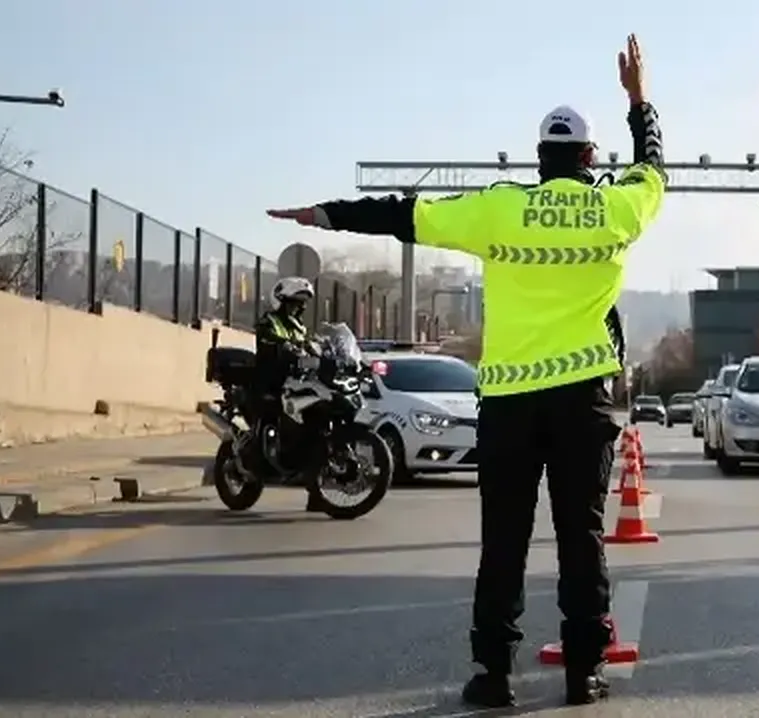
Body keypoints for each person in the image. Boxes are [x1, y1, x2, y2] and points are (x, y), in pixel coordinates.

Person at [266, 34, 665, 707]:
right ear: (591, 159)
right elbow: (655, 168)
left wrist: (323, 214)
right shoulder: (616, 207)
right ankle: (582, 673)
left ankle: (493, 676)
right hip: (582, 402)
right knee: (582, 537)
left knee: (502, 542)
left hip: (509, 402)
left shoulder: (498, 206)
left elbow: (402, 215)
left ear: (540, 160)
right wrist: (639, 100)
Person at [251, 277, 314, 448]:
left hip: (295, 379)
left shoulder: (299, 327)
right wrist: (282, 343)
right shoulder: (269, 320)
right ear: (281, 302)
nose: (301, 307)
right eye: (295, 303)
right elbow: (264, 333)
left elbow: (306, 345)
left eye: (302, 303)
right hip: (272, 379)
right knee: (271, 415)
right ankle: (261, 449)